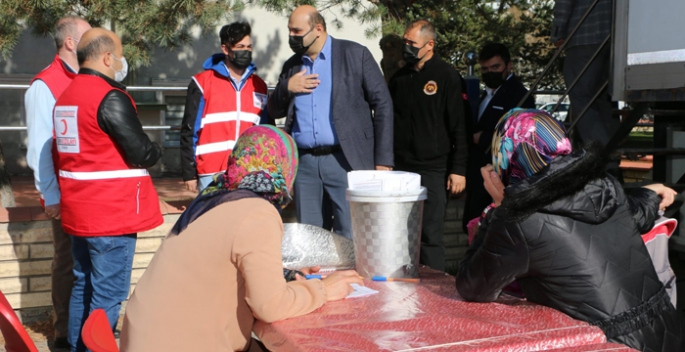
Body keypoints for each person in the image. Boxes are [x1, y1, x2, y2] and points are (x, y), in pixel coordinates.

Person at [456, 109, 683, 352]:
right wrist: (649, 193)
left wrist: (500, 208)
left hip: (604, 343)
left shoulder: (518, 220)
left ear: (507, 155)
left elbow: (473, 286)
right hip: (664, 329)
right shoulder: (604, 185)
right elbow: (636, 212)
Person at [120, 125, 363, 351]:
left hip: (150, 338)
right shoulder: (257, 212)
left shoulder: (214, 199)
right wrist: (322, 290)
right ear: (285, 168)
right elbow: (270, 306)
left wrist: (283, 274)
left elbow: (222, 270)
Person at [53, 28, 163, 351]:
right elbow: (140, 151)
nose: (122, 61)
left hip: (79, 212)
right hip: (110, 215)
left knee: (82, 285)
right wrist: (155, 150)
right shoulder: (108, 96)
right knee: (108, 294)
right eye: (120, 54)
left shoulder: (67, 96)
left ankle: (76, 347)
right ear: (106, 58)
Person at [268, 5, 393, 240]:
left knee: (351, 235)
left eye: (297, 31)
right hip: (304, 164)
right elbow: (274, 109)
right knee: (311, 236)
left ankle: (350, 278)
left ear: (318, 29)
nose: (291, 37)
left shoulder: (355, 54)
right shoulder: (292, 65)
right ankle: (316, 278)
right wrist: (286, 87)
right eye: (289, 31)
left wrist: (384, 160)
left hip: (346, 160)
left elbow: (383, 104)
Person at [24, 16, 91, 349]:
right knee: (68, 263)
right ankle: (63, 334)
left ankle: (88, 330)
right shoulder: (45, 85)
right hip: (65, 194)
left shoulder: (87, 78)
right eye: (87, 35)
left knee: (88, 263)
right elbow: (39, 146)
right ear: (69, 43)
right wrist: (50, 195)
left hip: (90, 190)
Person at [389, 19, 467, 271]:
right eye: (405, 42)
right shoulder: (399, 79)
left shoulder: (447, 76)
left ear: (430, 44)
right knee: (402, 234)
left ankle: (436, 291)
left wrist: (459, 169)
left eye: (412, 43)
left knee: (430, 236)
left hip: (434, 169)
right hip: (401, 168)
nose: (407, 47)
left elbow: (459, 126)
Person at [181, 21, 268, 193]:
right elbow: (189, 130)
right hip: (211, 173)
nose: (246, 51)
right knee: (213, 219)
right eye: (240, 46)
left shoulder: (259, 86)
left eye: (249, 47)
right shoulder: (202, 82)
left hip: (248, 171)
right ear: (225, 49)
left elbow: (265, 132)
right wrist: (189, 173)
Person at [463, 43, 535, 231]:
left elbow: (520, 135)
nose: (490, 72)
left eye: (496, 67)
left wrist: (484, 138)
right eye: (485, 69)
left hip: (501, 172)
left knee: (493, 227)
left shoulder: (519, 95)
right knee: (474, 224)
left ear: (508, 66)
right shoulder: (483, 94)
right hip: (479, 171)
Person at [551, 0, 620, 172]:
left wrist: (558, 31)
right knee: (604, 98)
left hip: (584, 33)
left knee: (581, 97)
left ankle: (603, 156)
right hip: (614, 34)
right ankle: (612, 154)